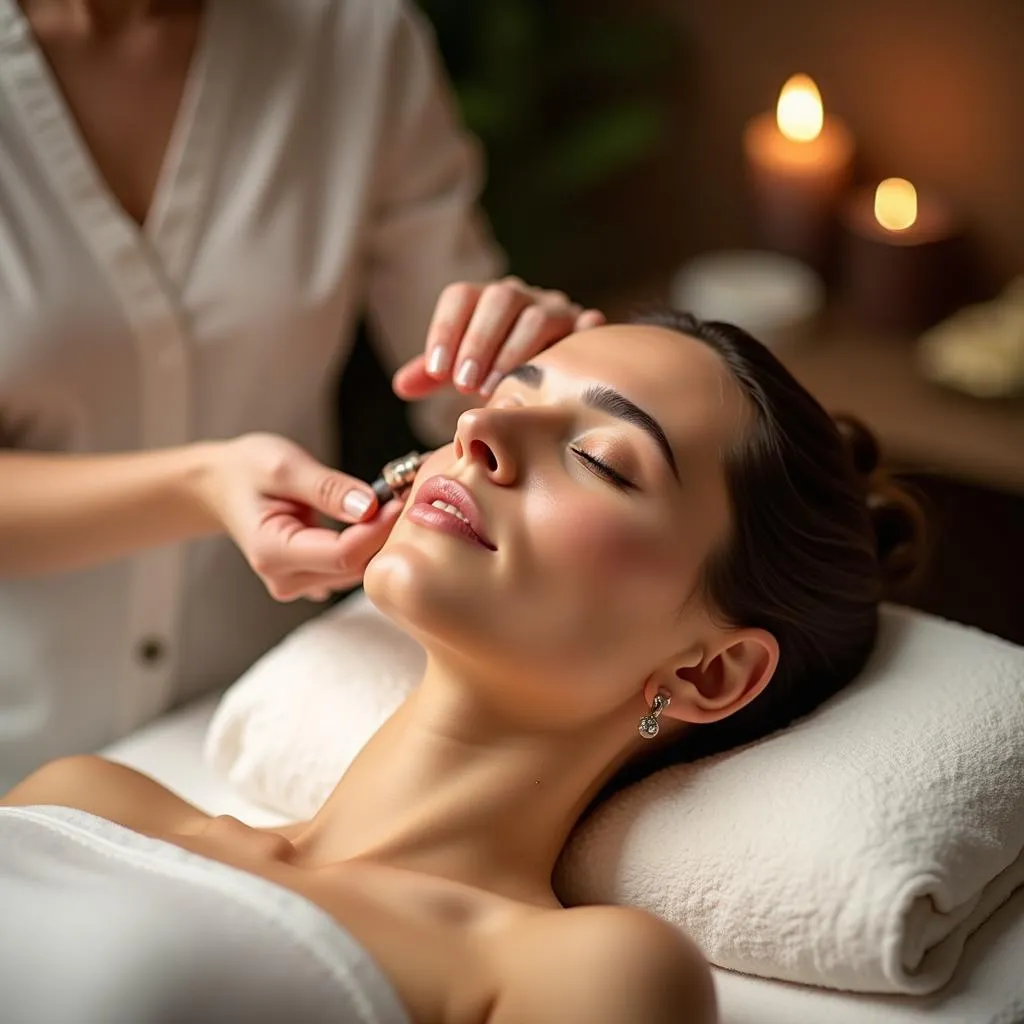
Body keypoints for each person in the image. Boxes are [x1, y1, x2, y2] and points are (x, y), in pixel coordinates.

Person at [1, 313, 926, 1023]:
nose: (480, 428)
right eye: (512, 398)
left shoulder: (574, 971)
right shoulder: (85, 800)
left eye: (599, 459)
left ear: (710, 674)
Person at [0, 0, 604, 788]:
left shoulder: (357, 41)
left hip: (253, 721)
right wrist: (201, 487)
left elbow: (462, 386)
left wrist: (538, 366)